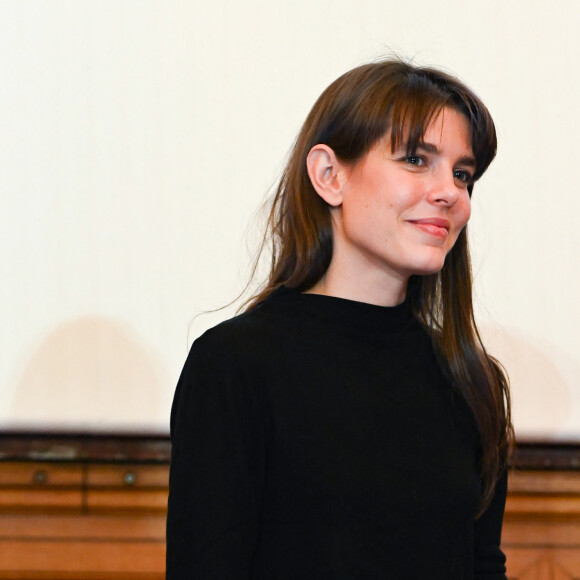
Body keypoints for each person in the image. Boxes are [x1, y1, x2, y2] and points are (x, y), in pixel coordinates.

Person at [166, 58, 513, 579]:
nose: (450, 193)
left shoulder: (471, 379)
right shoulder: (236, 365)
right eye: (417, 159)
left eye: (462, 174)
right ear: (329, 176)